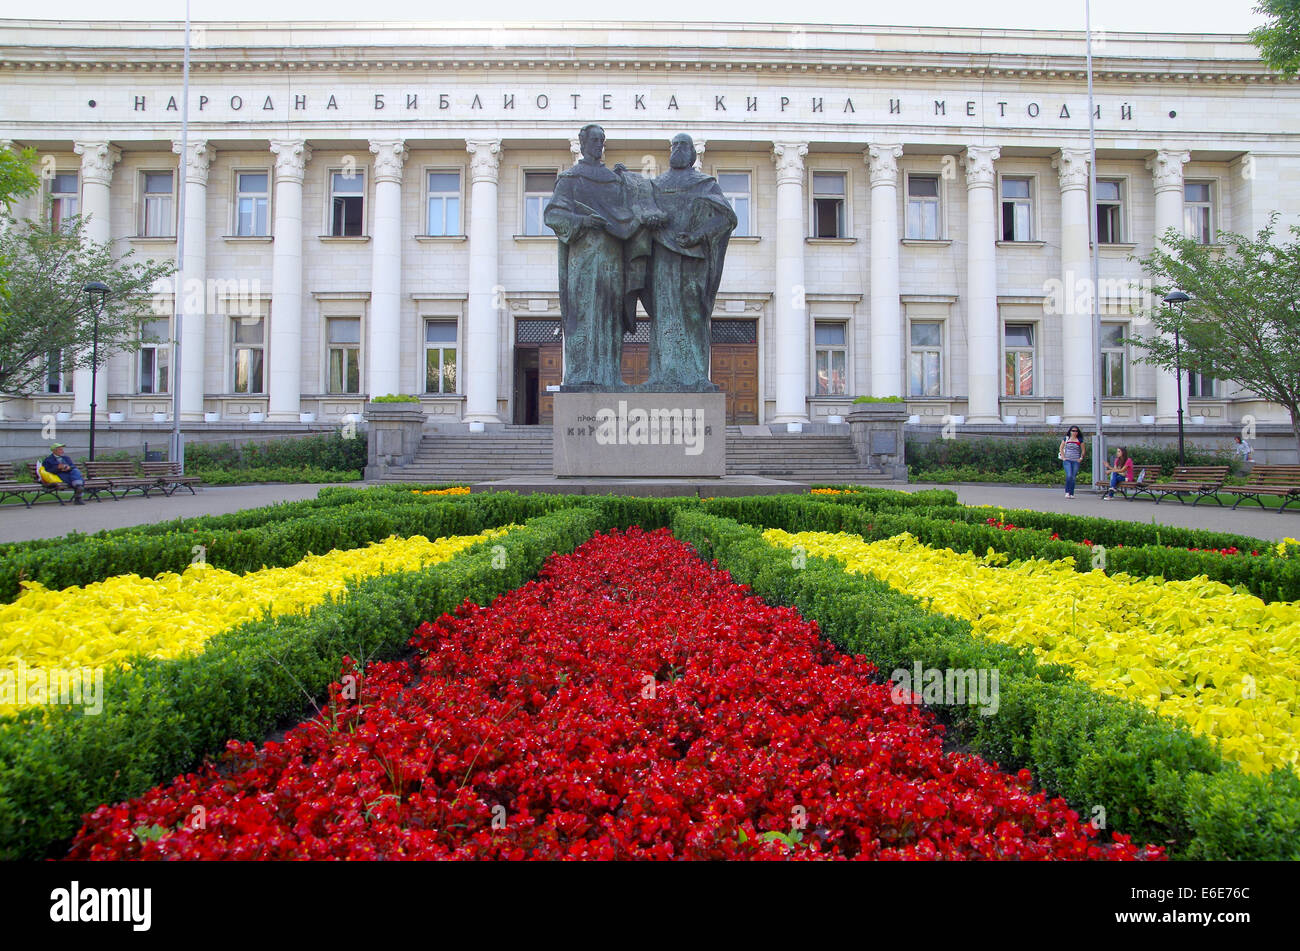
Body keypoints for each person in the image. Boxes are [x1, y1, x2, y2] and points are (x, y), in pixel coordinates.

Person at [544, 124, 663, 389]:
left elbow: (630, 208)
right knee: (585, 314)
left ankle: (609, 376)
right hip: (584, 258)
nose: (599, 145)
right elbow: (553, 215)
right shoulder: (570, 179)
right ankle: (582, 375)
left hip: (612, 258)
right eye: (594, 140)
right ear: (582, 143)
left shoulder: (613, 180)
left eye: (602, 140)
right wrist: (584, 220)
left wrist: (632, 188)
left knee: (611, 317)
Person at [631, 133, 736, 390]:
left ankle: (696, 375)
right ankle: (661, 375)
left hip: (693, 259)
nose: (677, 149)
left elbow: (726, 217)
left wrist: (697, 235)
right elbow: (640, 210)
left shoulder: (705, 183)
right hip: (663, 258)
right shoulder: (655, 184)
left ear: (692, 153)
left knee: (693, 314)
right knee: (663, 313)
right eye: (674, 145)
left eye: (683, 145)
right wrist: (649, 217)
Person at [1058, 425, 1086, 499]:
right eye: (1073, 431)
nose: (1074, 432)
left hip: (1075, 460)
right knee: (1069, 475)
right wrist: (1063, 457)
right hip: (1067, 460)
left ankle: (1071, 493)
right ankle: (1067, 492)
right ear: (1070, 431)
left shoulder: (1080, 440)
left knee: (1073, 477)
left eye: (1076, 431)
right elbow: (1061, 448)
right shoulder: (1066, 439)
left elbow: (1083, 450)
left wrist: (1081, 458)